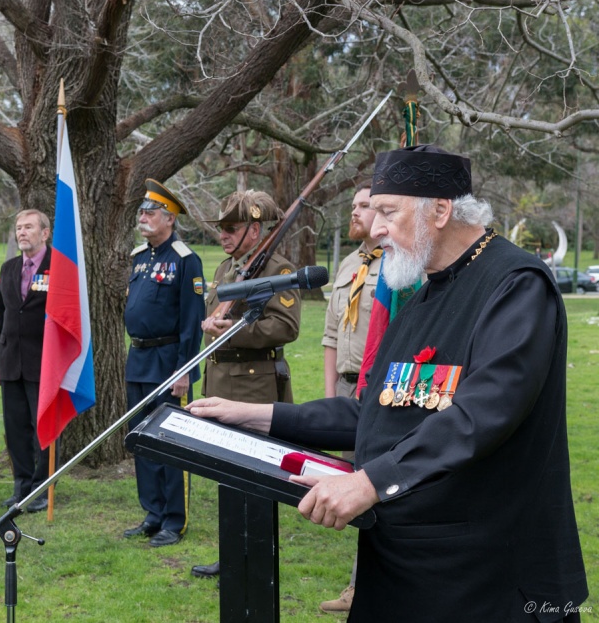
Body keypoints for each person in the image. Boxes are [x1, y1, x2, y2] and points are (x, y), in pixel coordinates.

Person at [187, 145, 588, 622]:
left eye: (387, 212)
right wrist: (258, 415)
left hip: (488, 577)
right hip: (404, 568)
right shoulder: (421, 293)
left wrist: (371, 480)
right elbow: (375, 410)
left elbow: (481, 415)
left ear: (440, 209)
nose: (374, 229)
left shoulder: (517, 284)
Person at [191, 189, 302, 579]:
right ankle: (232, 553)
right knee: (228, 474)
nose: (223, 235)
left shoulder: (277, 270)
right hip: (221, 380)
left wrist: (232, 330)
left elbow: (286, 327)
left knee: (255, 474)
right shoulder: (227, 269)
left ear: (255, 230)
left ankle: (256, 554)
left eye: (231, 228)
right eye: (220, 228)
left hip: (254, 386)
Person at [123, 179, 205, 548]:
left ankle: (175, 519)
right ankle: (153, 513)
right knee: (141, 440)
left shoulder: (186, 260)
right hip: (138, 358)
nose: (143, 217)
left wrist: (185, 369)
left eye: (150, 212)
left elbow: (191, 321)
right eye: (141, 212)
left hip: (170, 363)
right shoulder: (140, 258)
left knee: (171, 443)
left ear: (169, 219)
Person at [318, 179, 379, 613]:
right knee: (353, 484)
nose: (354, 212)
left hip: (377, 389)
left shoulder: (398, 268)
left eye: (365, 206)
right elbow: (329, 338)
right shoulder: (349, 265)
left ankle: (363, 587)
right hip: (345, 387)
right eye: (354, 205)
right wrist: (328, 401)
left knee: (374, 486)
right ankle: (359, 583)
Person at [0, 209, 53, 514]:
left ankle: (42, 489)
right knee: (16, 429)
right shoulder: (9, 268)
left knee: (43, 429)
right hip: (10, 359)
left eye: (28, 227)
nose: (22, 233)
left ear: (45, 233)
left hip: (45, 363)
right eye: (18, 228)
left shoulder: (60, 267)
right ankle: (21, 487)